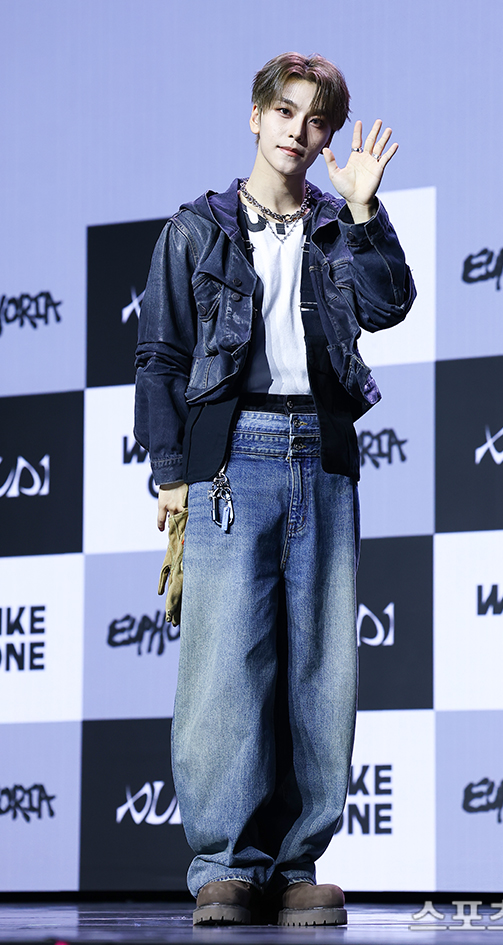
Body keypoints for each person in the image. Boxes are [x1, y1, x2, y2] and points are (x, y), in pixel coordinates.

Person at [134, 51, 415, 927]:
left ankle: (297, 865)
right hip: (231, 456)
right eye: (285, 111)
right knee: (225, 665)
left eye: (316, 119)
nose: (300, 130)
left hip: (322, 455)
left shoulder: (338, 224)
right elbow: (161, 357)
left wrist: (363, 210)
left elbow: (390, 304)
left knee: (320, 667)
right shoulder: (196, 229)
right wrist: (172, 471)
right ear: (255, 116)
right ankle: (226, 862)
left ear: (328, 134)